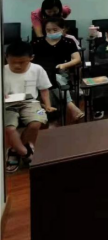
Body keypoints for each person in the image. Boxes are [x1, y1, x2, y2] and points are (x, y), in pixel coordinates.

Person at [4, 42, 54, 172]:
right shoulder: (2, 71)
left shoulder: (37, 69)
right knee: (9, 128)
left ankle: (16, 150)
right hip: (7, 104)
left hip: (31, 102)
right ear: (6, 57)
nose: (17, 66)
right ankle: (25, 152)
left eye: (22, 62)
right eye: (13, 62)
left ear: (31, 58)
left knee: (37, 122)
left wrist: (48, 105)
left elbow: (44, 89)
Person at [31, 17, 84, 122]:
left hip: (60, 72)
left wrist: (64, 65)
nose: (51, 32)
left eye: (55, 30)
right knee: (48, 73)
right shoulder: (37, 42)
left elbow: (77, 59)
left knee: (53, 75)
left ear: (63, 29)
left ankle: (47, 107)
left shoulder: (68, 42)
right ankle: (70, 105)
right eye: (48, 30)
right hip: (39, 73)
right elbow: (29, 59)